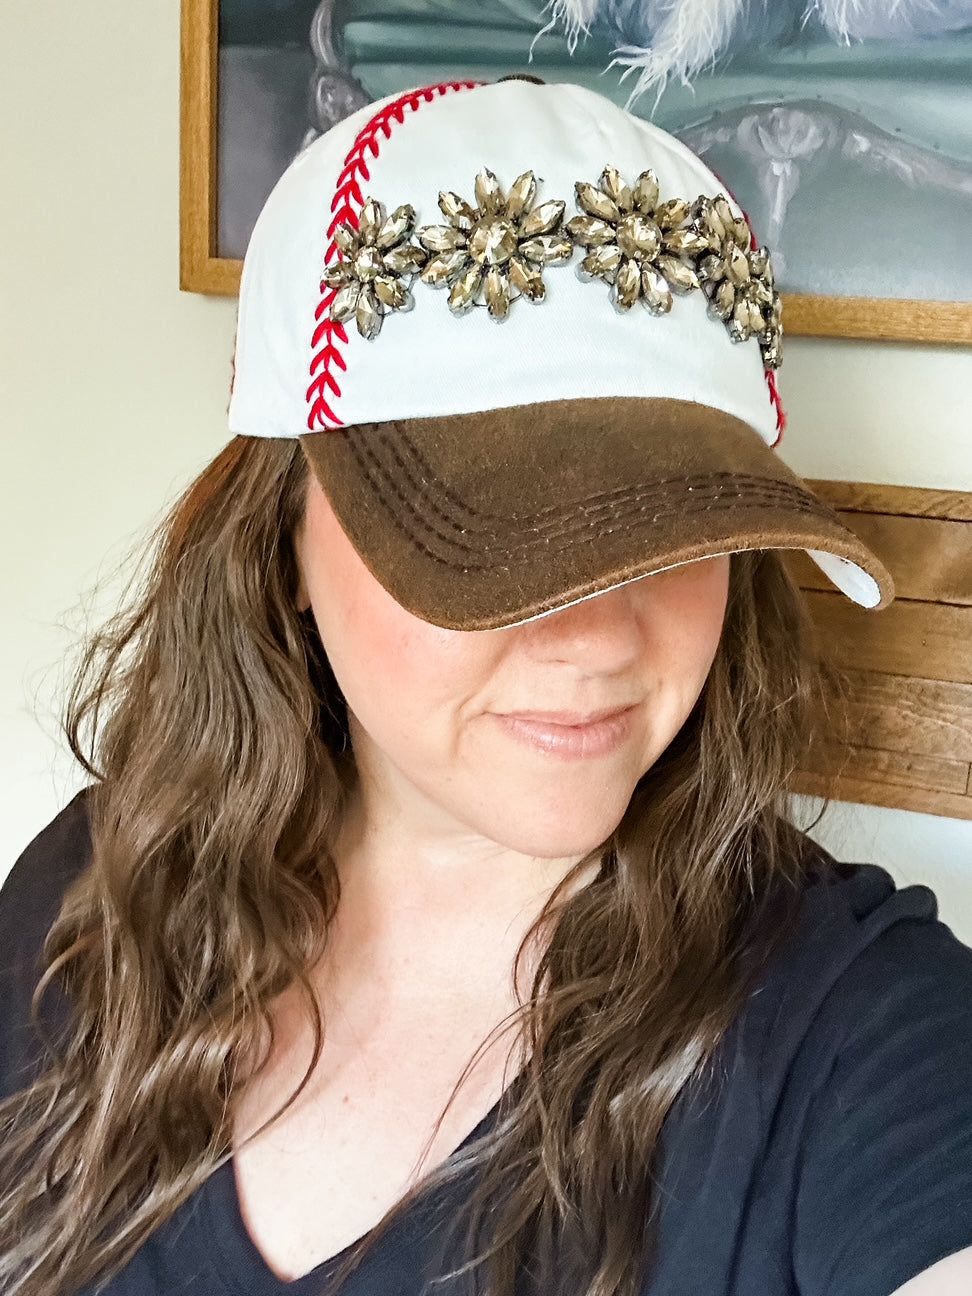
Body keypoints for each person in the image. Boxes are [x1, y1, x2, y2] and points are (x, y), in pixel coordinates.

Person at [1, 75, 971, 1296]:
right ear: (283, 544)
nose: (601, 638)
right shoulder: (102, 886)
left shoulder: (854, 1034)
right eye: (498, 540)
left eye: (678, 531)